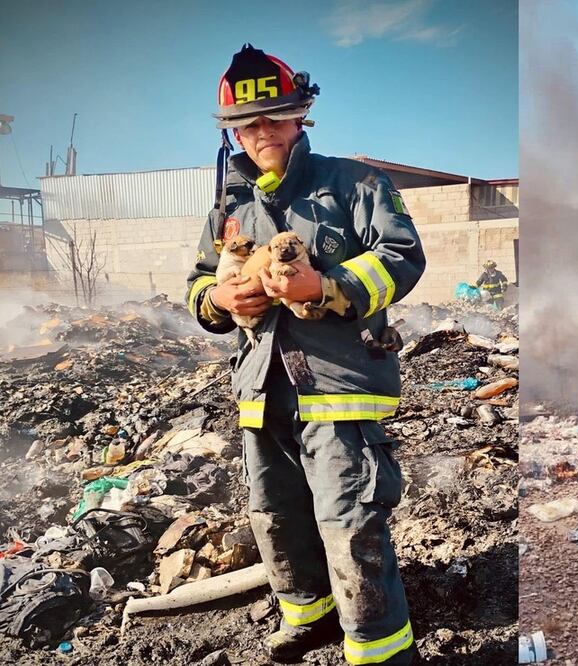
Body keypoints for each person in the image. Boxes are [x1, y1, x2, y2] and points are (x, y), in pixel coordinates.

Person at [185, 44, 425, 664]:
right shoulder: (229, 205)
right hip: (261, 391)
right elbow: (197, 284)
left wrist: (324, 287)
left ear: (302, 117)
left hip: (338, 386)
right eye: (249, 123)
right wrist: (222, 297)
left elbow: (402, 258)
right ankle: (308, 615)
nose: (263, 132)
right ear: (234, 130)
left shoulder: (354, 183)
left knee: (350, 526)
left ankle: (379, 649)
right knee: (276, 516)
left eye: (276, 117)